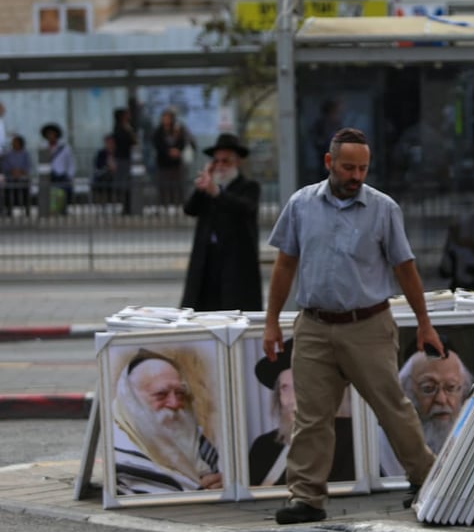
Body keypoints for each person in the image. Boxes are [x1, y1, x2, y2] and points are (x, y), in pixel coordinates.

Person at [263, 126, 446, 525]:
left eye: (363, 168)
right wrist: (272, 322)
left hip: (368, 326)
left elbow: (406, 269)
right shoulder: (301, 205)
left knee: (393, 409)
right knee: (311, 416)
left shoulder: (383, 209)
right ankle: (306, 497)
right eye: (348, 167)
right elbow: (284, 266)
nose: (356, 176)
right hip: (313, 326)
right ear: (329, 163)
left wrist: (424, 323)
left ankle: (427, 480)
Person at [110, 348, 223, 494]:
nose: (175, 403)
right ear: (131, 400)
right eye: (161, 394)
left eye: (180, 393)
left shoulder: (195, 437)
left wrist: (220, 482)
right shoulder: (122, 458)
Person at [250, 337, 357, 487]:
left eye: (304, 385)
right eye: (285, 388)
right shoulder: (263, 447)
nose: (293, 399)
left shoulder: (354, 440)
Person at [181, 133, 263, 312]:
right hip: (208, 259)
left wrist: (217, 192)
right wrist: (201, 188)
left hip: (235, 263)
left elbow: (244, 208)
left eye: (225, 161)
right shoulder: (209, 188)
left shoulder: (248, 187)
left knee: (233, 310)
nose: (220, 166)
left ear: (237, 162)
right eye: (216, 161)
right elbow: (190, 209)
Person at [379, 340, 474, 477]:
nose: (441, 399)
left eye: (451, 387)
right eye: (428, 389)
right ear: (407, 392)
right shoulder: (378, 449)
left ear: (463, 391)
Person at [151, 108, 195, 208]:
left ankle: (178, 204)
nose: (166, 120)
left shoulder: (178, 129)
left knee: (177, 185)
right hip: (163, 163)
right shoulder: (158, 131)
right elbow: (157, 144)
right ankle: (164, 205)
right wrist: (168, 151)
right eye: (164, 118)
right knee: (164, 185)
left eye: (168, 118)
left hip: (176, 163)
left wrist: (177, 150)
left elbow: (183, 141)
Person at [40, 122, 75, 214]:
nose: (50, 136)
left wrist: (70, 176)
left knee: (63, 192)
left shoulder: (65, 148)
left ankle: (63, 210)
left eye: (52, 133)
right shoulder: (43, 147)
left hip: (61, 175)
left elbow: (70, 163)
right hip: (48, 175)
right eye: (48, 133)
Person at [112, 107, 138, 215]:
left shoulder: (127, 127)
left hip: (128, 159)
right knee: (125, 184)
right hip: (123, 159)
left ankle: (129, 206)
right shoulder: (119, 129)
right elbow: (130, 141)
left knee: (129, 184)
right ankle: (126, 207)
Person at [1, 134, 32, 216]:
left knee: (25, 190)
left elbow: (28, 166)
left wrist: (20, 171)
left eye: (16, 142)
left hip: (22, 178)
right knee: (7, 190)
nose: (14, 144)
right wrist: (12, 171)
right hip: (11, 177)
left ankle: (27, 210)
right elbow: (4, 166)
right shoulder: (8, 154)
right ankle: (9, 210)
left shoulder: (25, 154)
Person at [92, 133, 118, 204]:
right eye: (108, 143)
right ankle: (102, 200)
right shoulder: (101, 153)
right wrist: (108, 166)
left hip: (116, 176)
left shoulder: (118, 154)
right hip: (104, 175)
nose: (110, 145)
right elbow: (98, 166)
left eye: (111, 143)